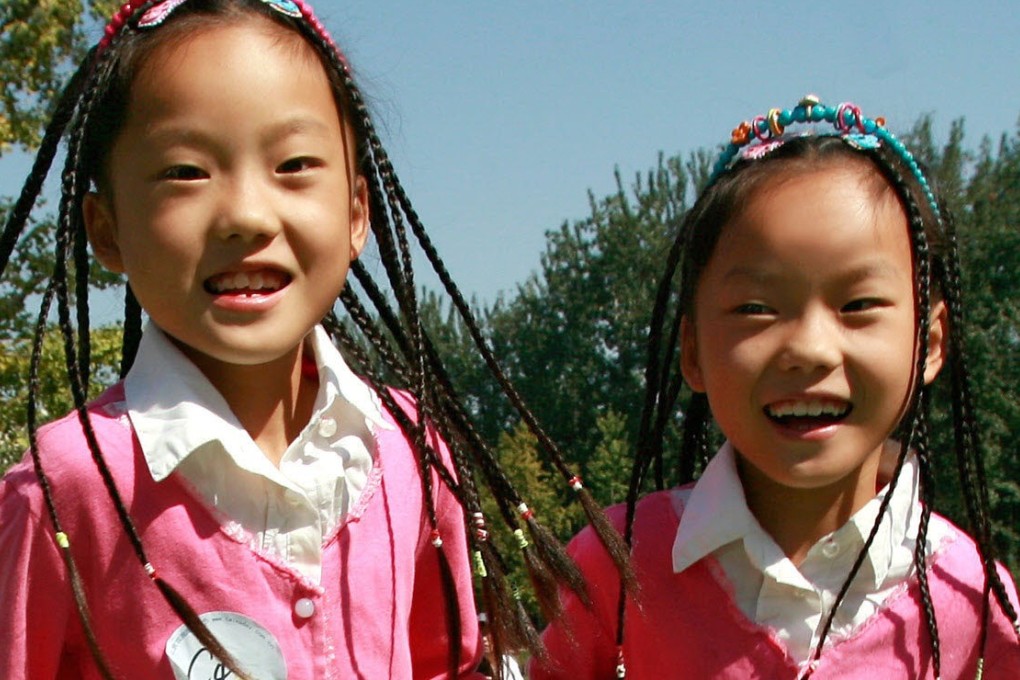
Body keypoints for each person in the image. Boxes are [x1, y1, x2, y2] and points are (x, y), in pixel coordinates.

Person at [0, 0, 630, 677]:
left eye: (294, 164)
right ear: (106, 229)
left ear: (358, 211)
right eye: (186, 172)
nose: (245, 214)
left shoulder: (410, 453)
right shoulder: (61, 492)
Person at [531, 96, 1020, 679]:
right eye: (757, 308)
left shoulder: (967, 593)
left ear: (931, 341)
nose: (809, 348)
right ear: (692, 351)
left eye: (858, 304)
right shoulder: (614, 565)